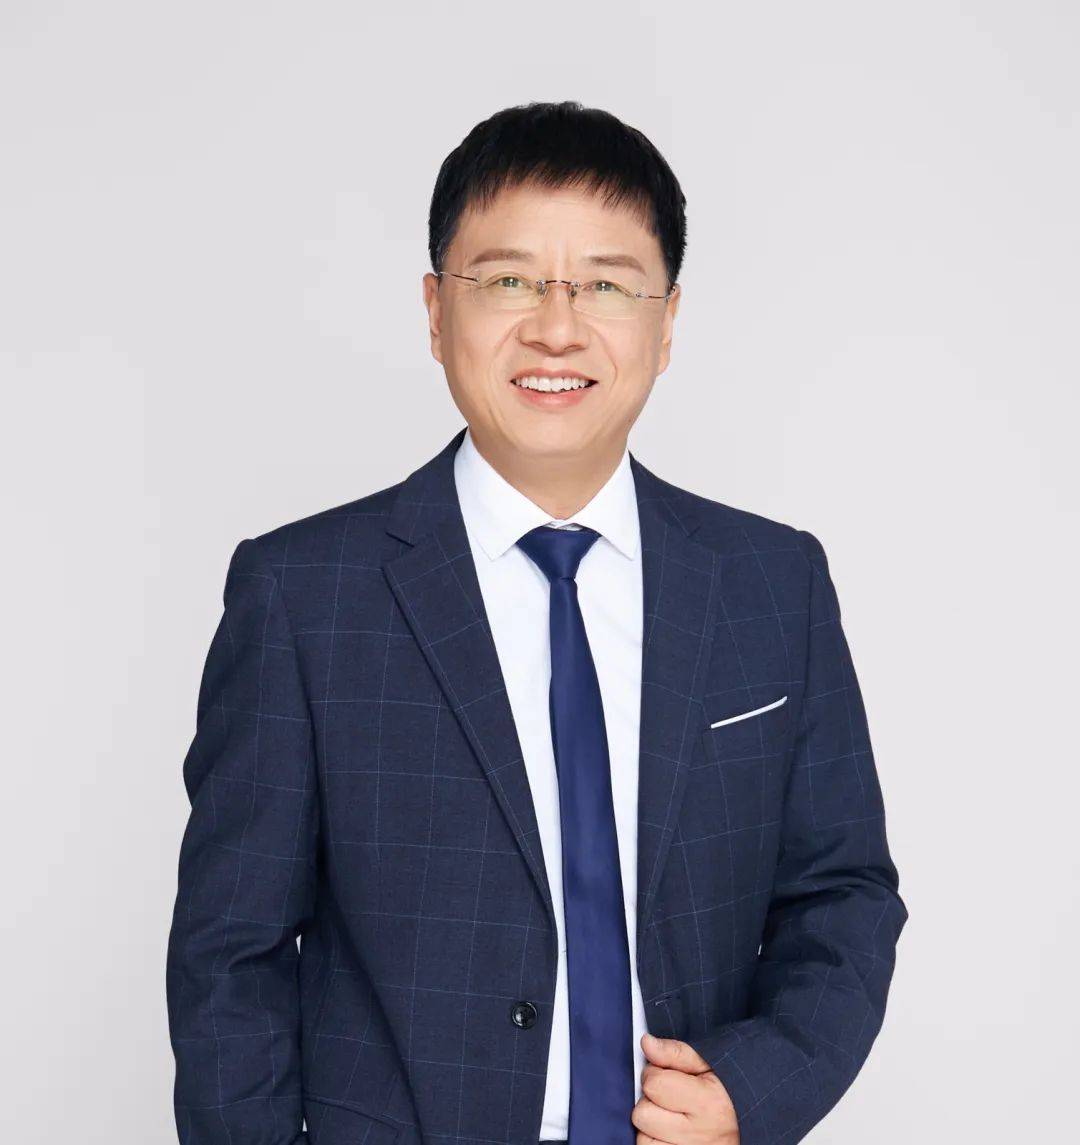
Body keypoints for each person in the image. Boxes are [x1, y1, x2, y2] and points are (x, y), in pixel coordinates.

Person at [166, 100, 907, 1145]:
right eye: (509, 280)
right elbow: (227, 956)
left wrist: (755, 1086)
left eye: (605, 284)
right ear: (436, 311)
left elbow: (843, 892)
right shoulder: (304, 596)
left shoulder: (772, 583)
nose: (557, 327)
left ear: (667, 322)